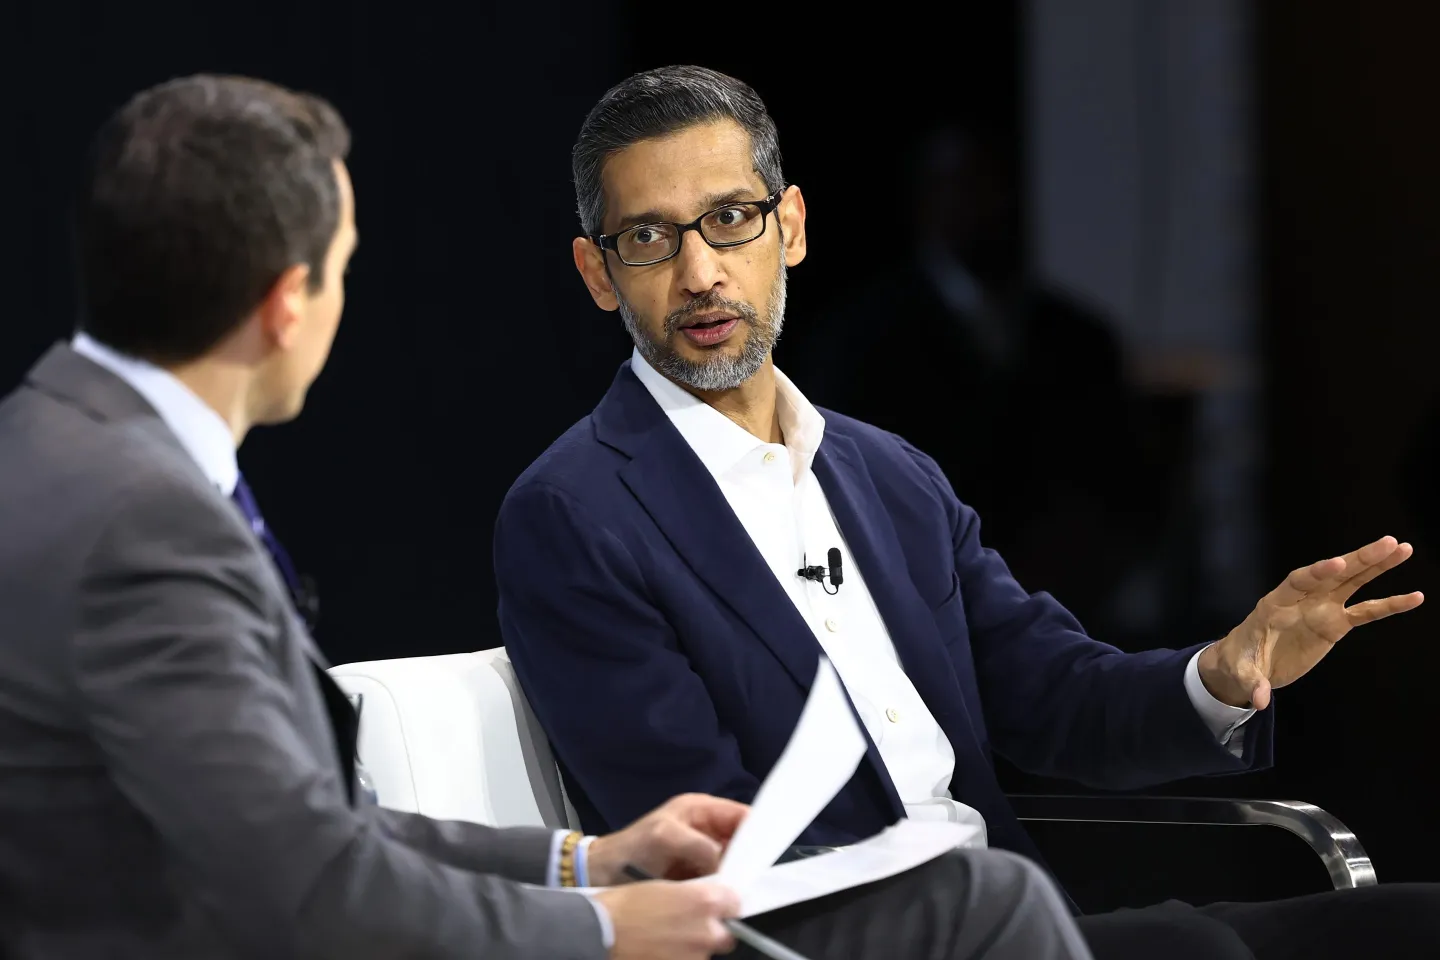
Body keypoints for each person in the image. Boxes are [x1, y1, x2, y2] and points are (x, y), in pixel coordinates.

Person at [0, 74, 1091, 960]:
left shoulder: (53, 446)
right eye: (342, 272)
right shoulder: (146, 523)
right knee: (986, 906)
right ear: (291, 303)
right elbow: (308, 891)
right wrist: (600, 927)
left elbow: (304, 835)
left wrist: (583, 865)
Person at [493, 64, 1439, 960]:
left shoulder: (888, 474)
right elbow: (704, 845)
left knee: (1408, 926)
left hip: (1020, 918)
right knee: (1191, 951)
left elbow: (1059, 699)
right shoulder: (575, 515)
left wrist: (1224, 674)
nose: (700, 272)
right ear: (597, 272)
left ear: (791, 227)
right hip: (847, 939)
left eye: (730, 219)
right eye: (652, 238)